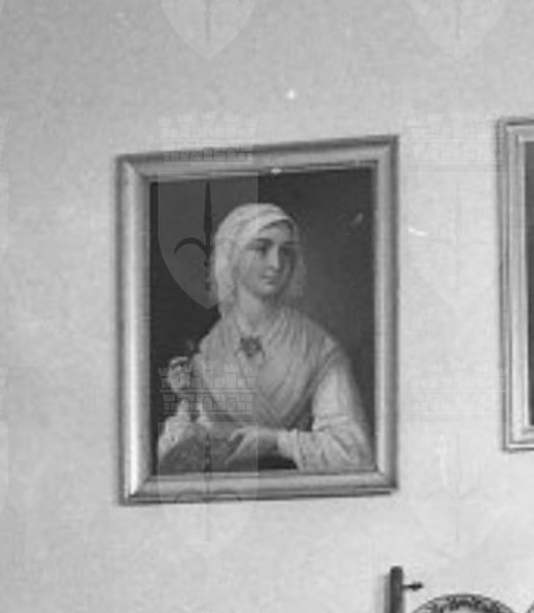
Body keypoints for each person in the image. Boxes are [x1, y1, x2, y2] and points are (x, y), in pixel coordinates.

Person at [157, 202, 372, 476]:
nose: (276, 264)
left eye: (287, 252)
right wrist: (189, 420)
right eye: (261, 249)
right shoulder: (210, 347)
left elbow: (356, 453)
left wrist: (277, 442)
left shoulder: (319, 349)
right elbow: (173, 449)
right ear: (233, 256)